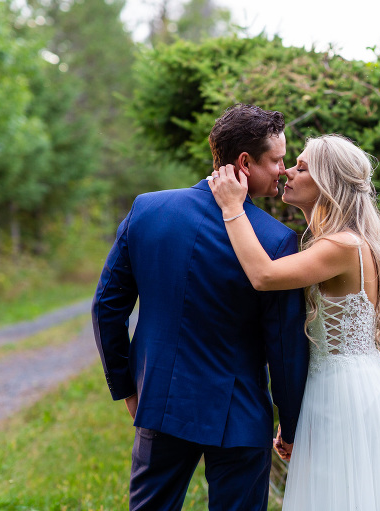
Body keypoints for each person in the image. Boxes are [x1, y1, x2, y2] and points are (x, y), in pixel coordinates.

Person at [91, 104, 309, 511]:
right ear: (245, 163)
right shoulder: (278, 241)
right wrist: (292, 424)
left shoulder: (147, 210)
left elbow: (107, 307)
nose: (283, 169)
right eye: (277, 160)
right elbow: (284, 349)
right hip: (239, 415)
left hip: (160, 400)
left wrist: (127, 387)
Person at [209, 134, 380, 511]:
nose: (287, 170)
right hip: (334, 386)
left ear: (329, 184)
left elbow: (263, 276)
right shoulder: (333, 242)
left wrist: (231, 207)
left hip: (345, 395)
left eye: (301, 167)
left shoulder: (342, 246)